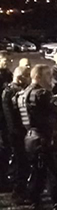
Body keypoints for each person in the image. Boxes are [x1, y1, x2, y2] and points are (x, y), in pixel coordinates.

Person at [17, 64, 57, 210]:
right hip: (46, 138)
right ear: (38, 77)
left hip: (30, 138)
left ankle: (35, 209)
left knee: (36, 174)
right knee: (56, 175)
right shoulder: (43, 94)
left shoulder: (22, 95)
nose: (50, 79)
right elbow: (56, 113)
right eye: (47, 76)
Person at [2, 66, 30, 203]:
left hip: (19, 132)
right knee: (21, 163)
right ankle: (18, 192)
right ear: (19, 78)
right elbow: (9, 117)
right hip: (17, 134)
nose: (29, 78)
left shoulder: (17, 91)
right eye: (27, 75)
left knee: (23, 163)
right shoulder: (10, 92)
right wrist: (15, 133)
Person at [0, 53, 14, 191]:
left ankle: (4, 177)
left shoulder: (8, 74)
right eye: (5, 60)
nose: (8, 62)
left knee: (6, 149)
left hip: (6, 117)